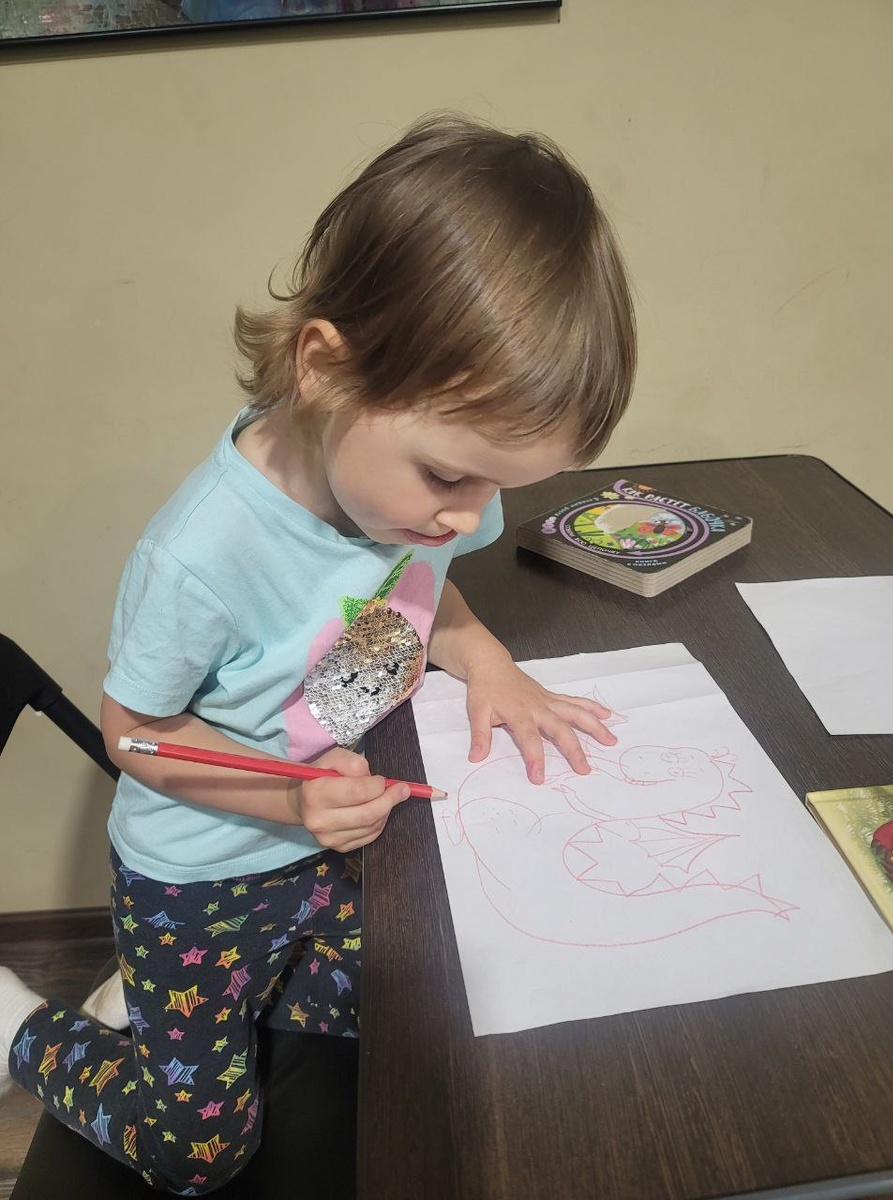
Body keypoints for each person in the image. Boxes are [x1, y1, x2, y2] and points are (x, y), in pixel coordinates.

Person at [0, 113, 636, 1193]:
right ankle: (22, 1028)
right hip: (200, 879)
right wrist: (291, 801)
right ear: (326, 369)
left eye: (502, 484)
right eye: (451, 477)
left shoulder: (420, 505)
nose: (472, 515)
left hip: (333, 844)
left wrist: (488, 661)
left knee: (414, 1021)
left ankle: (215, 1002)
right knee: (199, 1154)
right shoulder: (200, 557)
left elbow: (424, 593)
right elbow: (134, 736)